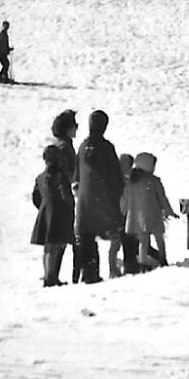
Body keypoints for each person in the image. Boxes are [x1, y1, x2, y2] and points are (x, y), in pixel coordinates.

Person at [73, 110, 124, 284]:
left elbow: (76, 174)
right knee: (115, 232)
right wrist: (118, 192)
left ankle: (89, 273)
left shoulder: (83, 146)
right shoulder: (106, 147)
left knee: (86, 236)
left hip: (85, 200)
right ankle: (116, 267)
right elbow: (115, 174)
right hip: (104, 198)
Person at [31, 144, 76, 287]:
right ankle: (51, 277)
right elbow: (66, 196)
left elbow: (35, 197)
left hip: (46, 213)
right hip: (58, 214)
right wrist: (70, 207)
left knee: (47, 247)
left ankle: (47, 274)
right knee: (54, 246)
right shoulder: (60, 176)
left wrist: (43, 208)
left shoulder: (40, 177)